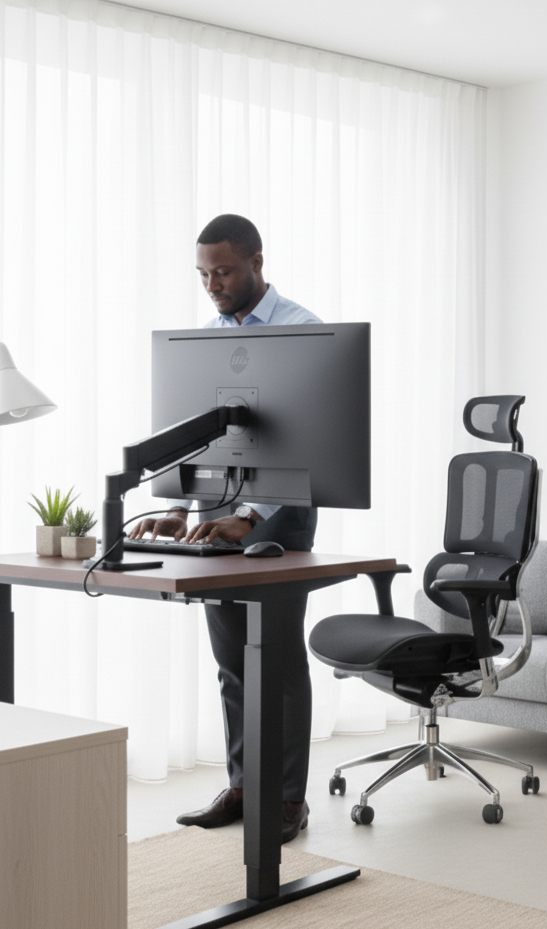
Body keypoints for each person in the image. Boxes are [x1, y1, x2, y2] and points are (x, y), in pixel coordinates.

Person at [128, 214, 321, 843]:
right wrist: (182, 509)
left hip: (280, 522)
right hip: (217, 519)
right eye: (204, 274)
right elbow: (197, 441)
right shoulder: (205, 339)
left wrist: (252, 517)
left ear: (257, 262)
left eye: (224, 271)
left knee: (280, 663)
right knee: (232, 661)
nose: (212, 284)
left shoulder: (302, 331)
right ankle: (244, 786)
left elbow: (309, 442)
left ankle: (288, 800)